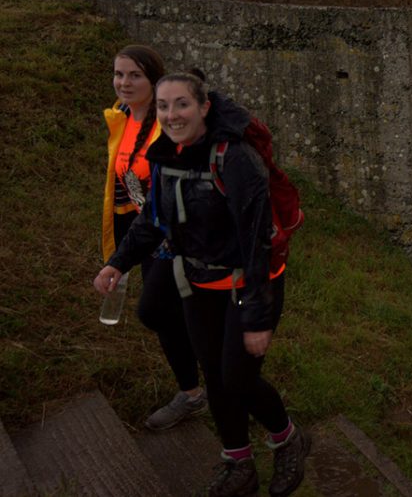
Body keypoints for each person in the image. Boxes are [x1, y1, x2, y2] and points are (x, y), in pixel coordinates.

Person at [94, 71, 309, 497]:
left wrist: (259, 317)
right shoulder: (165, 155)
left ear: (204, 107)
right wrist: (118, 263)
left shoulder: (236, 159)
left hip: (248, 284)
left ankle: (287, 439)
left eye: (182, 105)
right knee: (215, 376)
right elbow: (154, 220)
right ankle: (238, 462)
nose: (172, 115)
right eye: (164, 106)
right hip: (197, 285)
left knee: (238, 378)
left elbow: (257, 242)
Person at [103, 45, 205, 430]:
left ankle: (196, 391)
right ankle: (197, 384)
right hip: (139, 228)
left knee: (154, 310)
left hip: (170, 234)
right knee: (171, 309)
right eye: (119, 74)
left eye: (134, 76)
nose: (124, 83)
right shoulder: (121, 117)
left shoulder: (170, 124)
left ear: (154, 80)